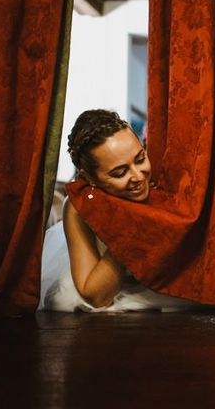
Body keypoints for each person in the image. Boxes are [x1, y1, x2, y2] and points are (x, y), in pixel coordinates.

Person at [39, 109, 196, 312]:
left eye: (140, 159)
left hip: (167, 285)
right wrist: (127, 226)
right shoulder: (79, 206)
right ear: (90, 178)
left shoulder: (166, 179)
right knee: (64, 300)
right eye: (120, 172)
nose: (138, 176)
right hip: (110, 286)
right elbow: (96, 296)